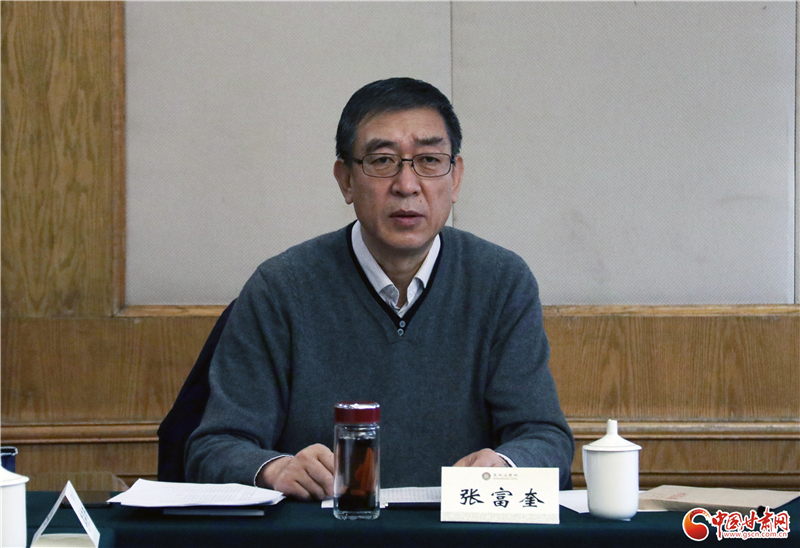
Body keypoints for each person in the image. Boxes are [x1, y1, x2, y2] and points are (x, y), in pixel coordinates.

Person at [185, 77, 574, 500]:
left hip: (459, 529)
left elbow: (546, 439)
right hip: (327, 529)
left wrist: (506, 464)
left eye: (429, 160)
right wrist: (275, 469)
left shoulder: (500, 282)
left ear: (456, 177)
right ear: (346, 181)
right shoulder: (282, 288)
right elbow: (212, 448)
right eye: (382, 161)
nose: (406, 185)